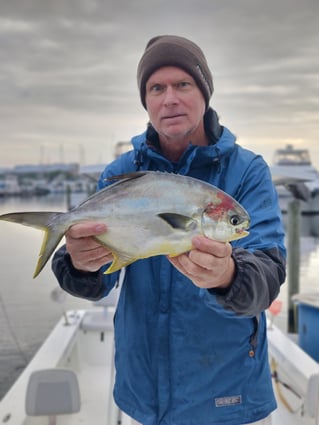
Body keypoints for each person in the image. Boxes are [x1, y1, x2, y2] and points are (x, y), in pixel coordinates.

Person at [52, 35, 286, 425]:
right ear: (145, 100)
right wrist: (79, 264)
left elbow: (268, 275)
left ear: (205, 92)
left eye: (183, 84)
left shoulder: (247, 171)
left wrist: (229, 276)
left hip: (230, 396)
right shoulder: (119, 174)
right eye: (156, 88)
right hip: (144, 396)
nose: (169, 99)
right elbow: (99, 283)